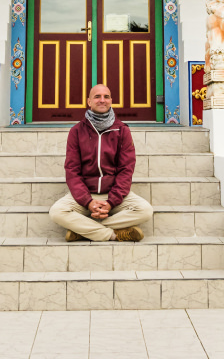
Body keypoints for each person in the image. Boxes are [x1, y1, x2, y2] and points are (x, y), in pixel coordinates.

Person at [48, 83, 154, 242]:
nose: (102, 100)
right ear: (89, 102)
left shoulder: (122, 130)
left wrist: (111, 202)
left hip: (113, 195)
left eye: (106, 96)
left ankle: (83, 230)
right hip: (85, 195)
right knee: (56, 212)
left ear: (111, 100)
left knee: (145, 210)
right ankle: (113, 234)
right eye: (97, 96)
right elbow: (72, 171)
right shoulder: (76, 131)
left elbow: (126, 170)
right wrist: (88, 201)